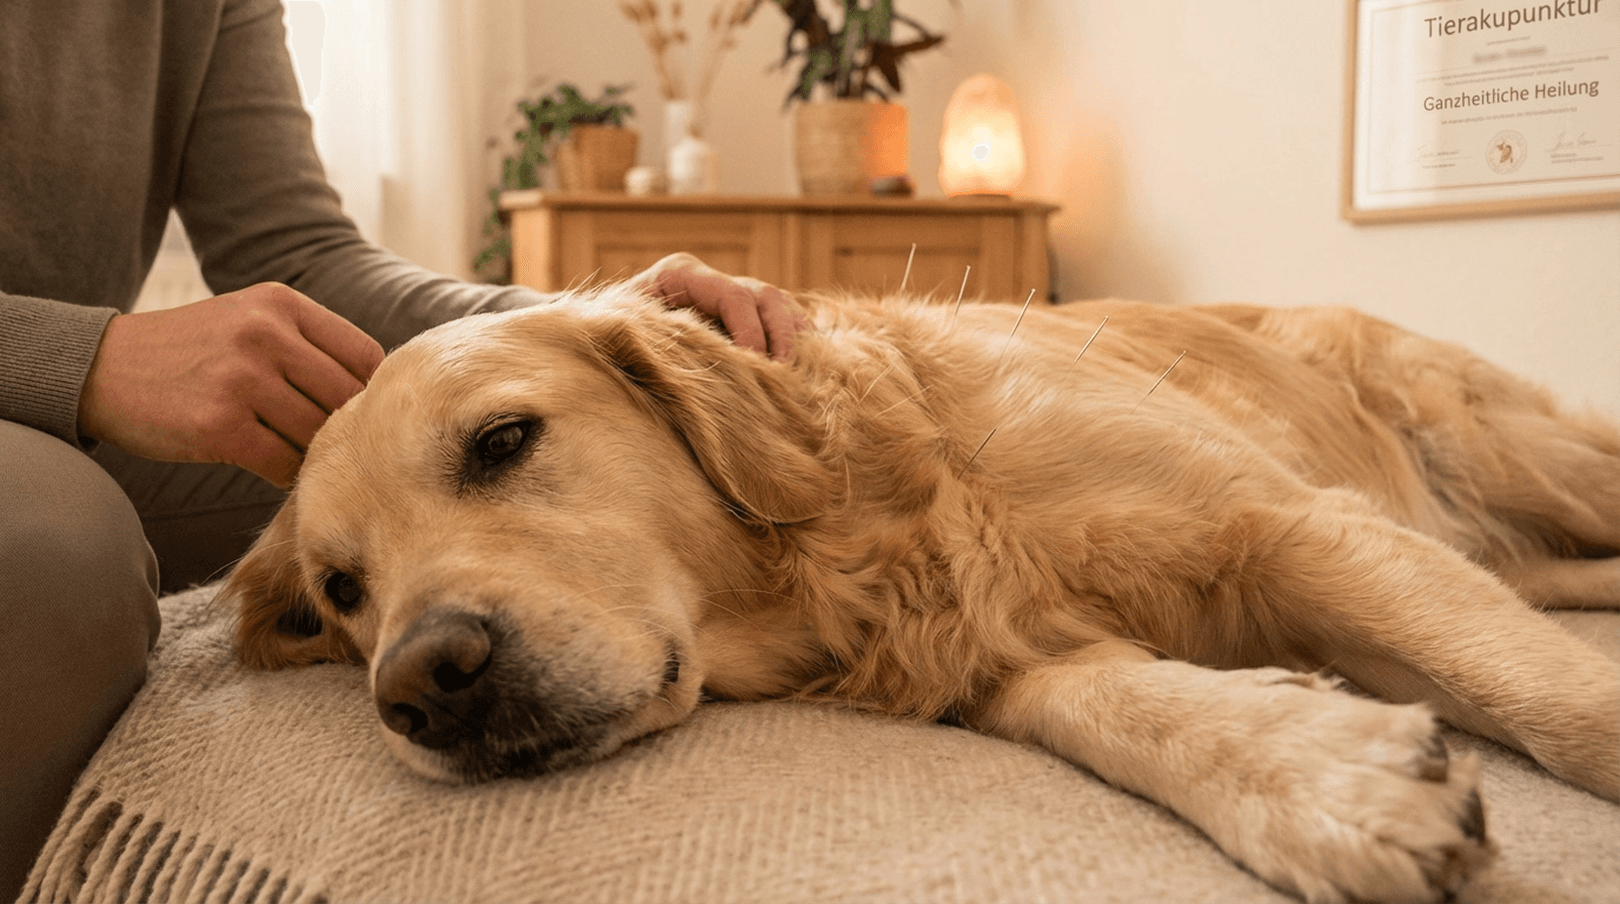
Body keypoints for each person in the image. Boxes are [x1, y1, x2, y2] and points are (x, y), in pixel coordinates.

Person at [0, 1, 802, 895]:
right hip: (53, 407)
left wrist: (561, 328)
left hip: (81, 421)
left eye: (501, 445)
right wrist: (84, 359)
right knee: (48, 550)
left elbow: (300, 253)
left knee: (361, 480)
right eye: (345, 594)